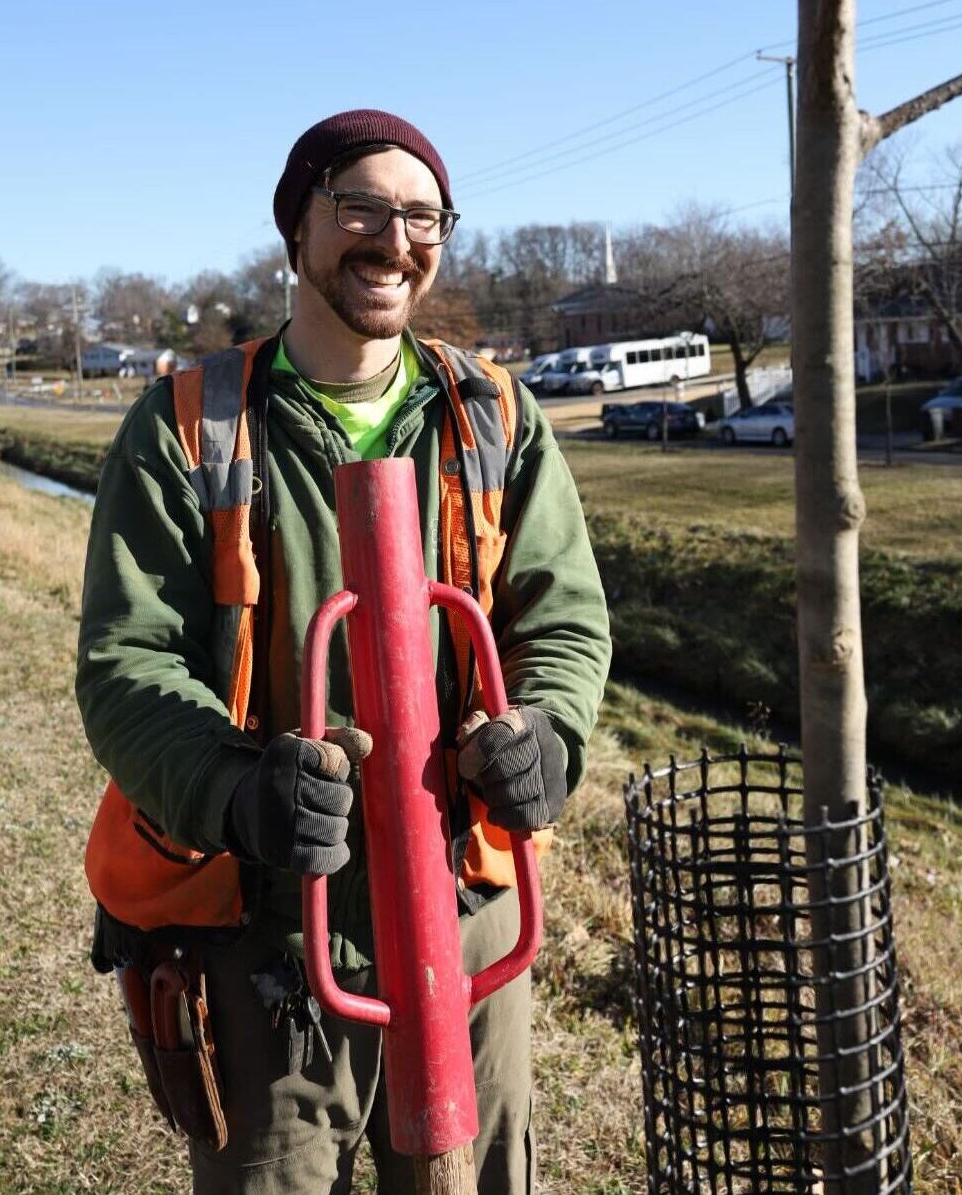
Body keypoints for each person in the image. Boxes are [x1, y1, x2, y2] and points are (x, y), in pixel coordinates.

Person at [78, 109, 612, 1194]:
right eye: (360, 206)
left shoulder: (494, 414)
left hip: (466, 925)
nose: (394, 239)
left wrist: (548, 733)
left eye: (424, 216)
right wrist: (238, 792)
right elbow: (128, 663)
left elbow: (562, 621)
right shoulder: (186, 426)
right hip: (265, 938)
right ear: (298, 229)